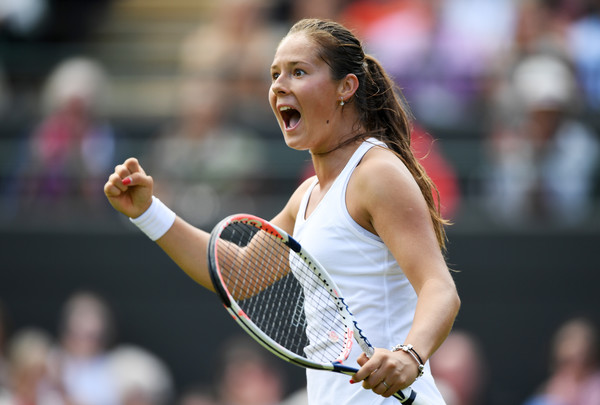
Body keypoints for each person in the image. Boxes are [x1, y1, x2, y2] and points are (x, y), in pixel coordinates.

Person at [104, 18, 460, 404]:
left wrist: (410, 355)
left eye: (298, 72)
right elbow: (236, 274)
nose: (278, 86)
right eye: (274, 74)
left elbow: (439, 289)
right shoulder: (307, 194)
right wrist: (146, 212)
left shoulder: (377, 173)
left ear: (346, 87)